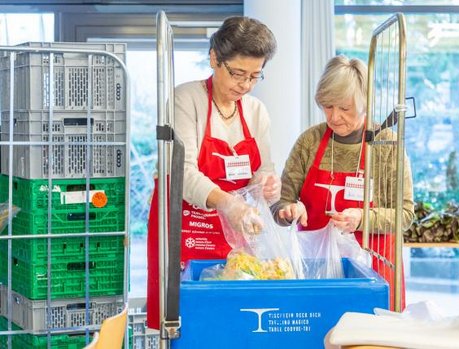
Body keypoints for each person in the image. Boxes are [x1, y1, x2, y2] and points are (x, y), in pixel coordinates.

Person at [147, 16, 280, 329]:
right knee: (185, 322)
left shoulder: (256, 111)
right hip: (185, 229)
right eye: (237, 73)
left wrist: (268, 184)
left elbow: (264, 168)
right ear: (214, 59)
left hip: (233, 234)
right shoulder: (186, 100)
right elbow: (183, 172)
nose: (245, 85)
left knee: (231, 320)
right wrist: (228, 203)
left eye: (254, 77)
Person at [271, 55, 414, 310]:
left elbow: (404, 214)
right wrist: (288, 210)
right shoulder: (310, 142)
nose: (334, 117)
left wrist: (362, 218)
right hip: (318, 271)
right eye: (328, 106)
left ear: (365, 103)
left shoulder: (386, 145)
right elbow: (281, 202)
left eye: (345, 108)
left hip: (375, 273)